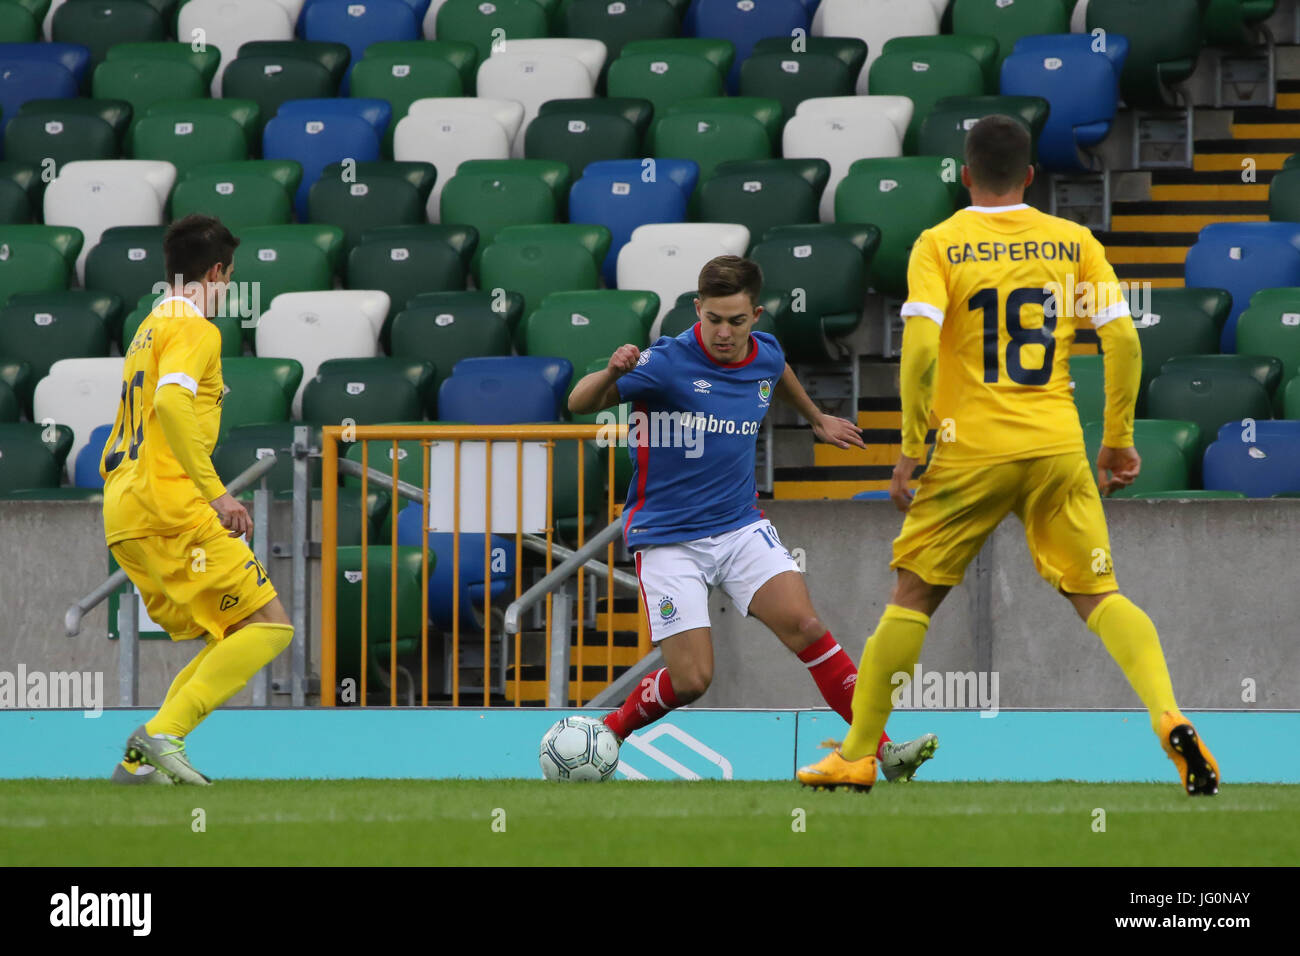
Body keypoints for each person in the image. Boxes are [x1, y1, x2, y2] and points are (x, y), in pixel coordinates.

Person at [797, 116, 1219, 794]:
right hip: (1054, 445)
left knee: (912, 597)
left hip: (971, 452)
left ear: (964, 176)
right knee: (1100, 593)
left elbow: (924, 350)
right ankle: (1169, 717)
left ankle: (855, 755)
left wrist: (912, 446)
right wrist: (1117, 440)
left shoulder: (940, 243)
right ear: (1030, 175)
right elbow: (1125, 343)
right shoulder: (1073, 241)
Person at [569, 255, 939, 781]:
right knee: (693, 679)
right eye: (713, 319)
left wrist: (816, 418)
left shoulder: (763, 352)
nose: (723, 332)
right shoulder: (668, 361)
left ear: (756, 316)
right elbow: (578, 401)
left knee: (807, 626)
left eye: (736, 321)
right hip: (669, 539)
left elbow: (778, 370)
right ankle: (610, 732)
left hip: (740, 527)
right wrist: (612, 370)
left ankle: (882, 752)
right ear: (698, 309)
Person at [101, 214, 294, 786]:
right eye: (229, 277)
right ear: (215, 272)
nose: (229, 288)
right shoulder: (195, 329)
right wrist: (218, 495)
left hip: (126, 507)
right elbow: (168, 404)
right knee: (271, 627)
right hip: (172, 505)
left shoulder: (147, 326)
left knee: (236, 630)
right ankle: (163, 734)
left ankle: (140, 763)